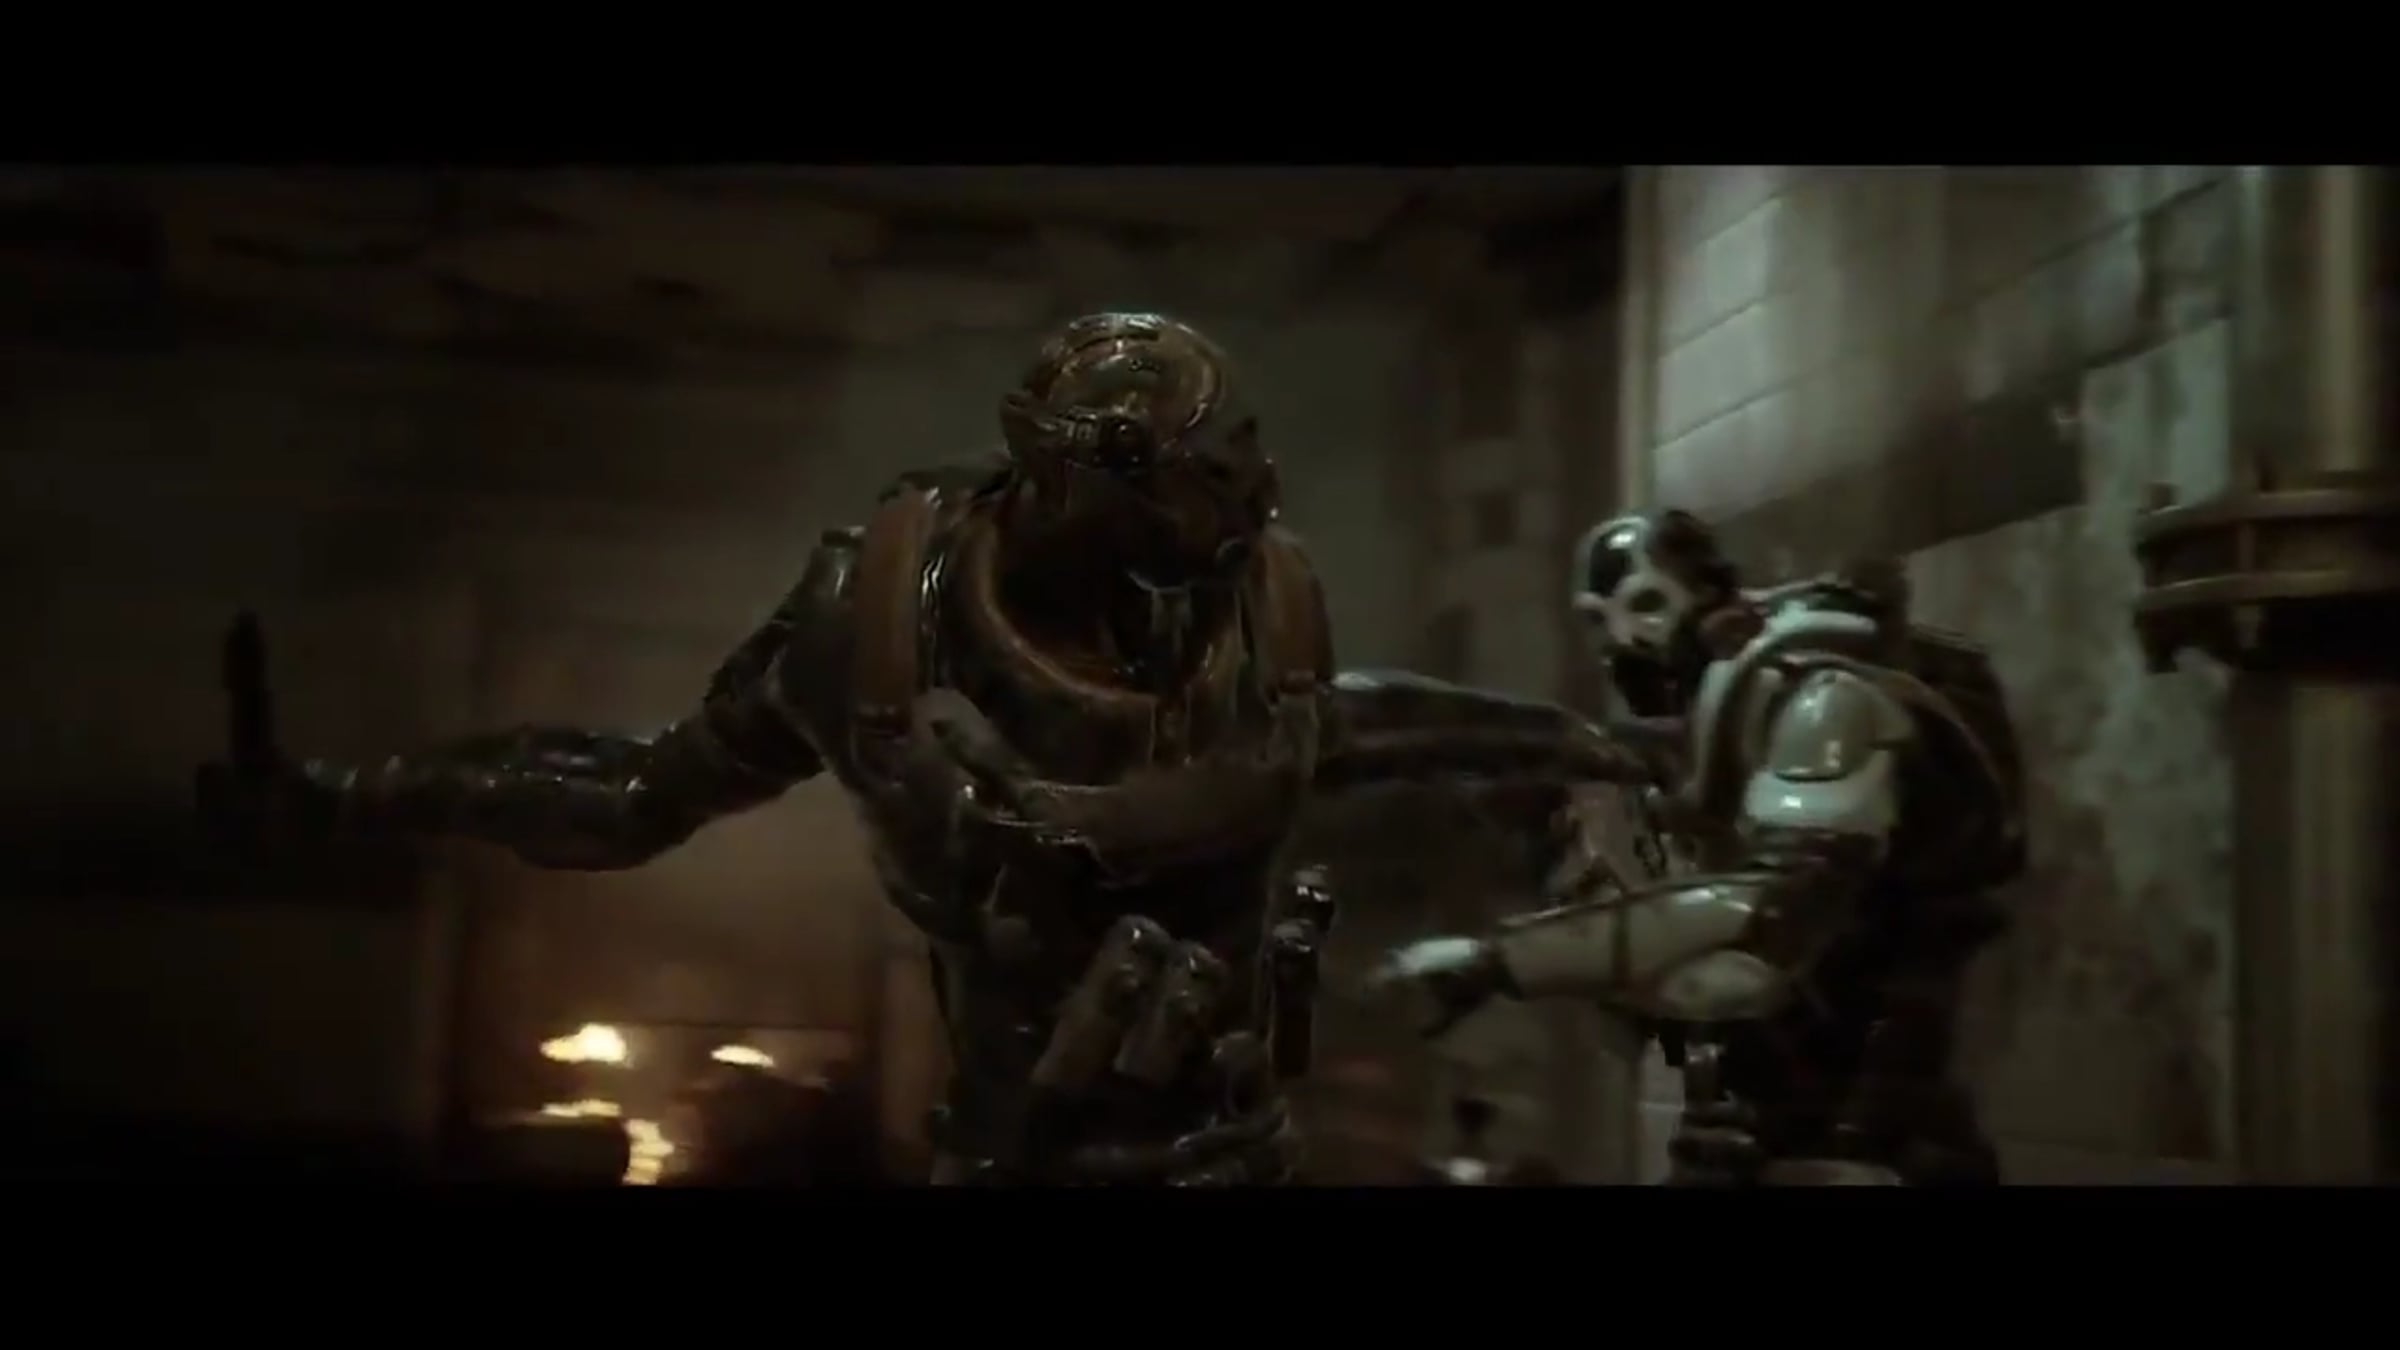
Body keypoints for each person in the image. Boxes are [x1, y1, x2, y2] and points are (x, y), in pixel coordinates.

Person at [199, 312, 1662, 1186]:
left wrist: (1578, 749)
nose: (1246, 515)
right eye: (1208, 489)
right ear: (1088, 478)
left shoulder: (1250, 611)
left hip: (1230, 1146)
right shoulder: (876, 637)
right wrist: (346, 797)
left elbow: (1356, 726)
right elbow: (635, 792)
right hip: (1019, 1144)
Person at [1370, 511, 2026, 1186]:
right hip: (1760, 1107)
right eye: (1600, 621)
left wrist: (1494, 964)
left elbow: (1772, 913)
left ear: (1710, 598)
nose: (1625, 641)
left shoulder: (1826, 704)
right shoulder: (1725, 727)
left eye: (1648, 605)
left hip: (1867, 1106)